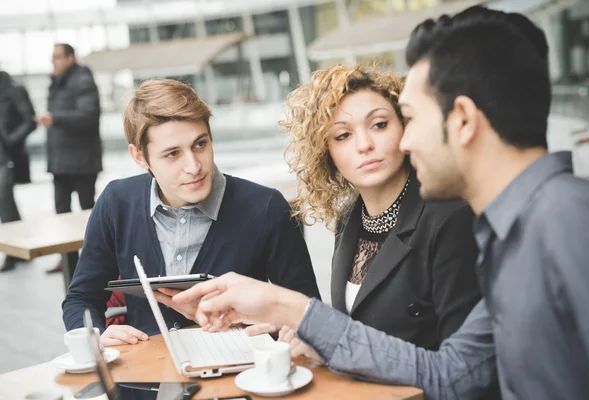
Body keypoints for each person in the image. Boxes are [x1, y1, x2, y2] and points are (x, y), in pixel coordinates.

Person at [173, 6, 589, 400]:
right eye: (342, 135)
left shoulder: (569, 220)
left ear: (464, 120)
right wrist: (295, 315)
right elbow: (453, 373)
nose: (404, 141)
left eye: (406, 119)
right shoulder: (512, 229)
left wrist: (289, 308)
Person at [62, 79, 321, 347]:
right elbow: (81, 297)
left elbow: (309, 313)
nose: (194, 166)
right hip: (147, 381)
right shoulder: (116, 203)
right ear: (140, 157)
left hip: (244, 379)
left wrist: (284, 329)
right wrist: (95, 335)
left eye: (200, 145)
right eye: (173, 154)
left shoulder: (266, 207)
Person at [255, 65, 481, 358]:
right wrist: (305, 330)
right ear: (328, 155)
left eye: (379, 125)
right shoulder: (349, 218)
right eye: (343, 135)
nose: (365, 145)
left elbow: (462, 368)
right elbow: (355, 326)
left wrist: (333, 345)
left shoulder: (451, 218)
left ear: (404, 127)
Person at [34, 43, 103, 274]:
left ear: (71, 57)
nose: (54, 62)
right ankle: (67, 262)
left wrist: (55, 118)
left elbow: (88, 116)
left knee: (88, 214)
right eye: (52, 58)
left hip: (82, 162)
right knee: (62, 214)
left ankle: (95, 262)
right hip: (61, 162)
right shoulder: (57, 82)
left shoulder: (83, 80)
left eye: (58, 57)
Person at [0, 71, 36, 272]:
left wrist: (12, 140)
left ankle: (14, 253)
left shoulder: (13, 89)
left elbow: (29, 120)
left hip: (7, 156)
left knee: (4, 201)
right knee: (6, 204)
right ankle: (17, 250)